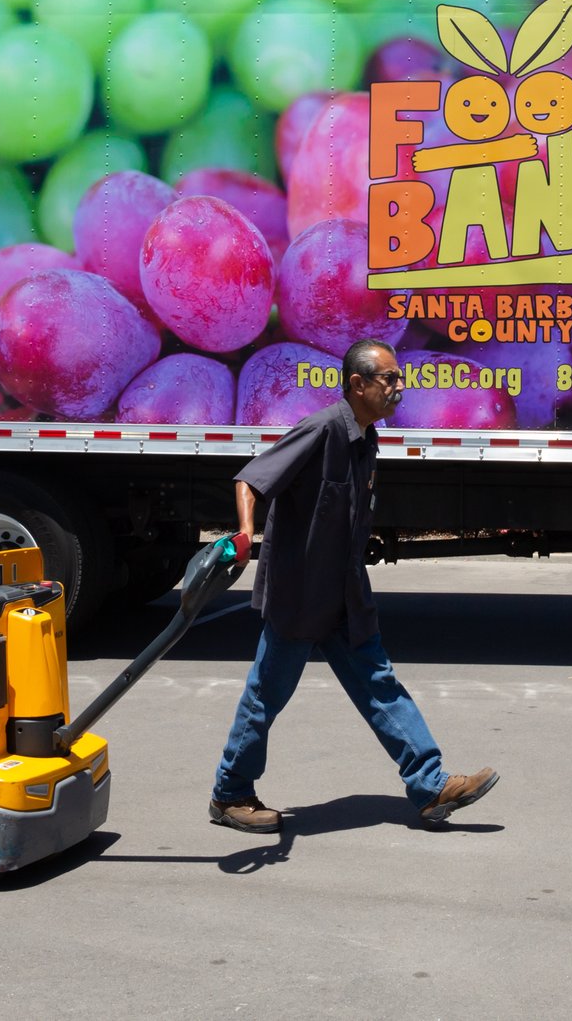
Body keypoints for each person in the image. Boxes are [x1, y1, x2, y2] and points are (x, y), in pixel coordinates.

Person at [208, 337, 498, 835]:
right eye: (389, 379)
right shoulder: (321, 430)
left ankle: (430, 786)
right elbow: (251, 480)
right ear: (358, 384)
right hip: (299, 594)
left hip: (343, 594)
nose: (398, 388)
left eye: (398, 378)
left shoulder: (367, 440)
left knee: (379, 684)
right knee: (265, 695)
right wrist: (244, 534)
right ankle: (230, 794)